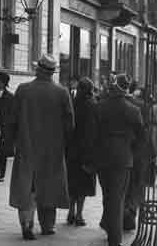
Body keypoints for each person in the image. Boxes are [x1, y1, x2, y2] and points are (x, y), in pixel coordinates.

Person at [9, 54, 74, 240]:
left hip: (27, 145)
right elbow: (70, 124)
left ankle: (26, 224)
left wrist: (12, 142)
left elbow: (12, 120)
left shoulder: (23, 90)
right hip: (53, 149)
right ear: (53, 73)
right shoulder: (62, 92)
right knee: (49, 185)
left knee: (26, 186)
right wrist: (64, 145)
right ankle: (48, 225)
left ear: (38, 70)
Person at [90, 73, 145, 246]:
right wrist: (131, 151)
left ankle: (109, 226)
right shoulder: (133, 110)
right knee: (117, 197)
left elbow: (92, 135)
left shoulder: (100, 107)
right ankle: (115, 238)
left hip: (102, 157)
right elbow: (141, 137)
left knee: (108, 195)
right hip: (123, 158)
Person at [66, 77, 97, 227]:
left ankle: (70, 212)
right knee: (83, 186)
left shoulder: (72, 102)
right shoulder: (92, 105)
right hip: (86, 151)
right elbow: (93, 131)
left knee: (72, 183)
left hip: (72, 150)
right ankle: (79, 215)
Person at [123, 84, 151, 231]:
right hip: (139, 153)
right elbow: (144, 133)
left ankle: (125, 214)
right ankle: (131, 214)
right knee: (136, 186)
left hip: (127, 151)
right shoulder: (144, 107)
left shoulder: (129, 106)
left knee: (126, 187)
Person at [0, 72, 14, 182]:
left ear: (3, 83)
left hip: (4, 129)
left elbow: (12, 114)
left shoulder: (10, 97)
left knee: (3, 152)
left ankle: (1, 174)